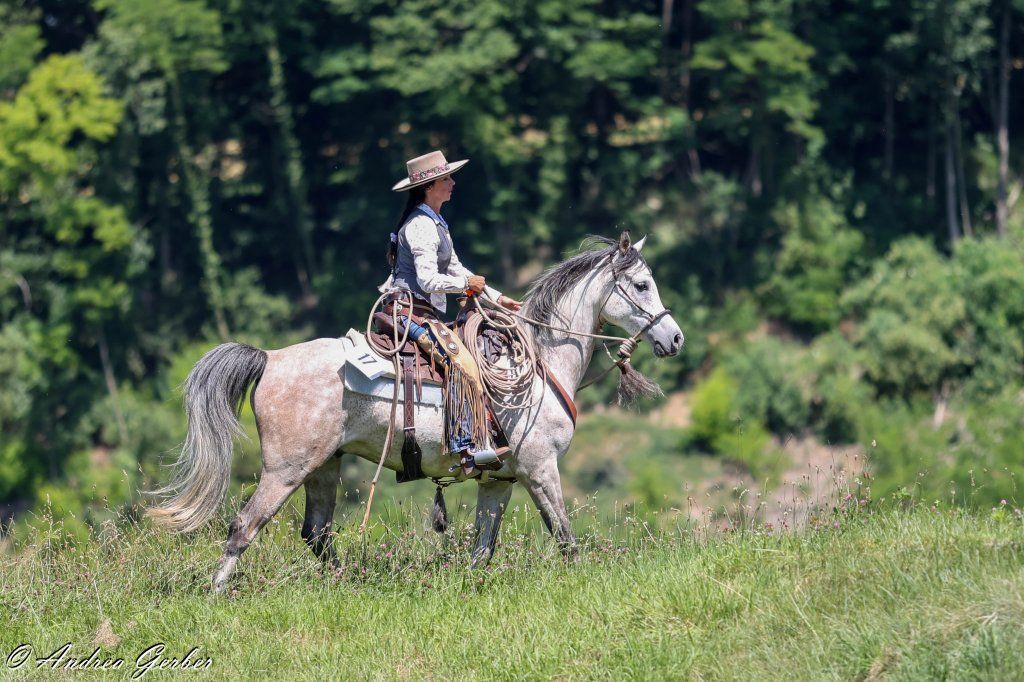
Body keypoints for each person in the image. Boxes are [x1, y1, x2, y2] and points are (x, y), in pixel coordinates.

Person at [378, 150, 520, 474]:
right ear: (429, 186)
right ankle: (465, 447)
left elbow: (457, 269)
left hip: (420, 311)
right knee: (461, 362)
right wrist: (466, 284)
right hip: (408, 312)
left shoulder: (435, 222)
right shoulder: (421, 226)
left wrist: (498, 298)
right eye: (447, 178)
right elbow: (429, 280)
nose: (453, 183)